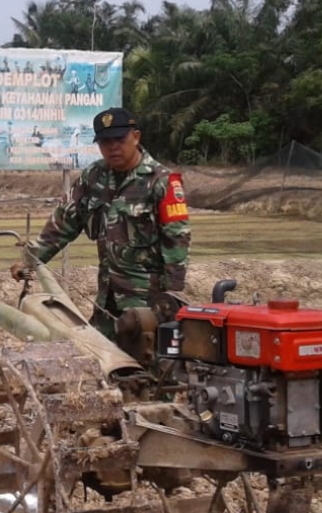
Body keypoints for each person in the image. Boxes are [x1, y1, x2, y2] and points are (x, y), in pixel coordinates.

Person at [10, 107, 191, 344]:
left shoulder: (162, 182)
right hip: (107, 299)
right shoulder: (94, 177)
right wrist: (29, 261)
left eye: (119, 139)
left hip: (146, 303)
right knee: (97, 359)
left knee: (151, 365)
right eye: (105, 141)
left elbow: (176, 242)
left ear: (136, 137)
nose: (113, 146)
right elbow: (63, 223)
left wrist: (170, 301)